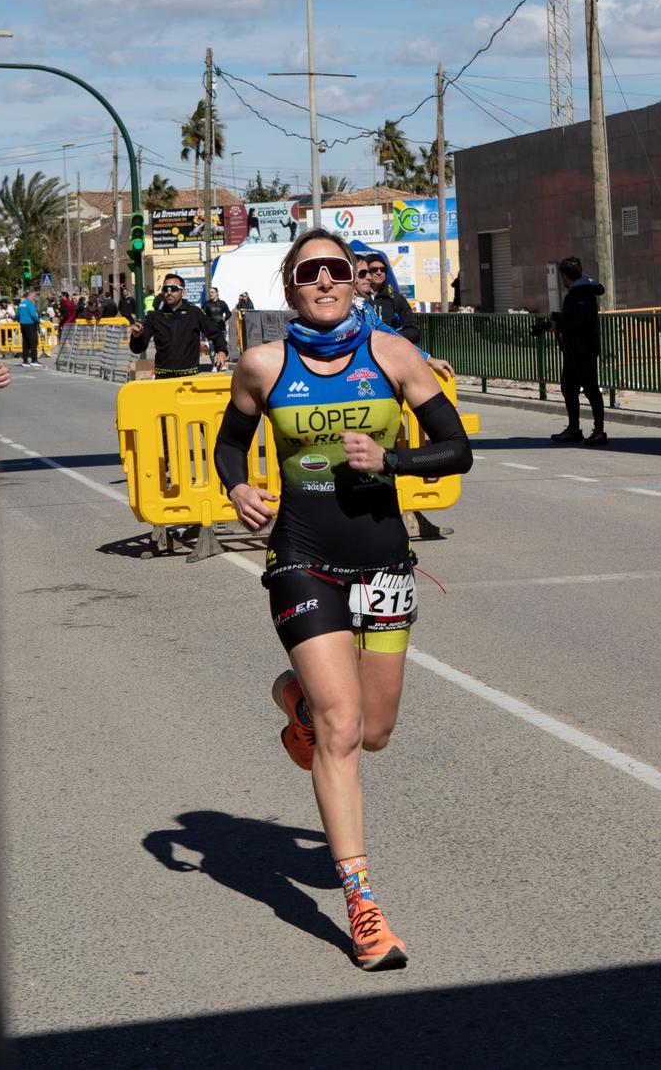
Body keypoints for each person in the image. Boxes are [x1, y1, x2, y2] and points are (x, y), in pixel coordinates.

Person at [214, 229, 473, 971]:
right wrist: (237, 485)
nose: (324, 281)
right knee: (342, 726)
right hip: (303, 559)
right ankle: (362, 905)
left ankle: (295, 702)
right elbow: (231, 444)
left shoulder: (392, 355)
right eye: (309, 272)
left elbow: (456, 449)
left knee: (376, 730)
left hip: (383, 561)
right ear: (289, 287)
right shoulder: (264, 364)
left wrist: (389, 458)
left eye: (336, 270)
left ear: (356, 282)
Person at [528, 255, 606, 445]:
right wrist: (552, 324)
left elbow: (579, 322)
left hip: (583, 349)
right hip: (574, 349)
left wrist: (560, 323)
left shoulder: (582, 293)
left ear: (564, 275)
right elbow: (574, 319)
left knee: (591, 389)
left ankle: (598, 431)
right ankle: (573, 429)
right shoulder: (580, 291)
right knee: (569, 388)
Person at [129, 276, 226, 378]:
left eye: (174, 289)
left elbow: (216, 333)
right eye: (166, 289)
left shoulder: (194, 313)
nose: (169, 293)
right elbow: (138, 348)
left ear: (183, 292)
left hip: (190, 378)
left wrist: (221, 351)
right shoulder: (154, 317)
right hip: (163, 378)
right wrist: (136, 337)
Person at [358, 252, 419, 342]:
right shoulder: (357, 299)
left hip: (390, 349)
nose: (379, 272)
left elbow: (414, 331)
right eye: (374, 269)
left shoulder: (396, 299)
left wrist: (391, 337)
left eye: (382, 269)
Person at [201, 285, 233, 367]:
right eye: (209, 292)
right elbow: (201, 315)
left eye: (212, 292)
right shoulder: (206, 304)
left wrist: (224, 318)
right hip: (211, 330)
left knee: (222, 347)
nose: (210, 294)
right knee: (212, 348)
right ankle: (213, 366)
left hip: (221, 329)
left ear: (217, 293)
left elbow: (229, 313)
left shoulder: (222, 303)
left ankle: (221, 364)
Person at [16, 288, 41, 367]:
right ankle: (34, 360)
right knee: (33, 342)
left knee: (25, 342)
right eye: (34, 295)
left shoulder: (21, 303)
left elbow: (17, 315)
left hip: (23, 325)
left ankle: (25, 361)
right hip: (30, 324)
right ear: (31, 294)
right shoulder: (30, 304)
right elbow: (33, 315)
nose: (35, 297)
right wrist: (38, 321)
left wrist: (20, 320)